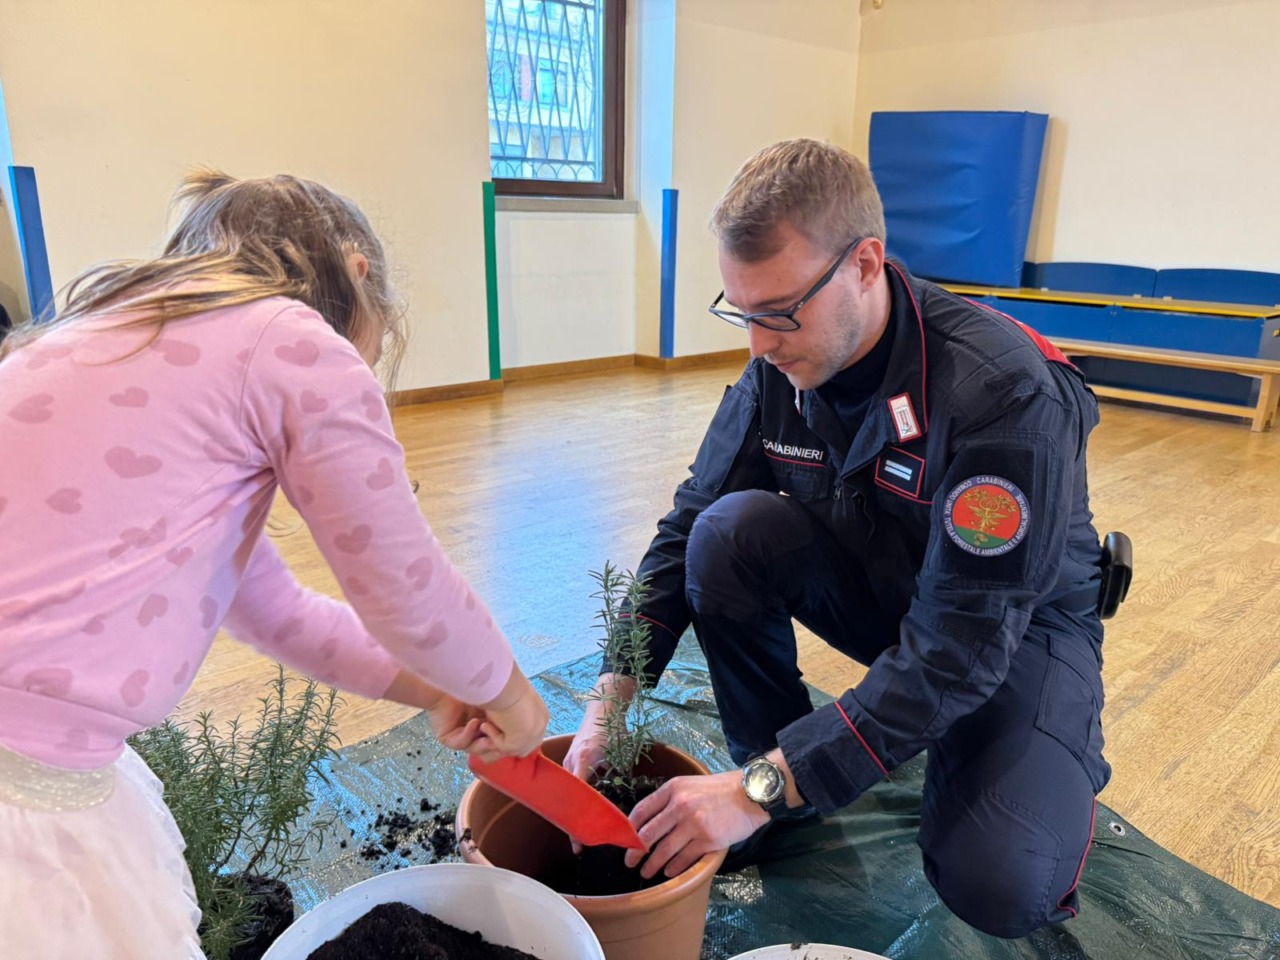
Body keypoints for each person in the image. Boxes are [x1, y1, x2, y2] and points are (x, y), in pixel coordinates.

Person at [564, 139, 1111, 939]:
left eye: (780, 313)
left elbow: (959, 650)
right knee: (724, 534)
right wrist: (607, 702)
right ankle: (777, 796)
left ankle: (788, 787)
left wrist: (749, 786)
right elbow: (685, 531)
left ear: (865, 264)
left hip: (1013, 632)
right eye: (741, 312)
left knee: (999, 877)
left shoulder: (1003, 392)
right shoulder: (777, 367)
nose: (758, 344)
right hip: (891, 593)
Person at [0, 170, 549, 958]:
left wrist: (436, 688)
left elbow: (276, 612)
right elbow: (407, 589)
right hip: (27, 799)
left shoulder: (103, 339)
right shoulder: (287, 338)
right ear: (359, 275)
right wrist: (512, 698)